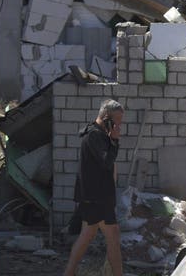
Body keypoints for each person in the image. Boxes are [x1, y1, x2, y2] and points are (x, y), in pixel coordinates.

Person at [64, 99, 124, 276]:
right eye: (117, 122)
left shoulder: (97, 134)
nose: (119, 126)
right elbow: (107, 162)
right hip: (97, 197)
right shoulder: (95, 136)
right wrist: (115, 141)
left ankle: (68, 273)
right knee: (112, 235)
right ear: (107, 118)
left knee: (87, 235)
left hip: (95, 196)